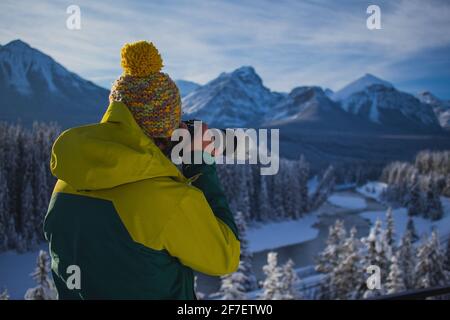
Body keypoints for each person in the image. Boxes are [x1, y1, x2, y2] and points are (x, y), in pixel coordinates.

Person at [44, 41, 240, 299]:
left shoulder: (67, 181)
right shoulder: (167, 200)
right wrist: (201, 162)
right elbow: (225, 257)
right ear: (165, 131)